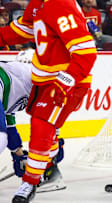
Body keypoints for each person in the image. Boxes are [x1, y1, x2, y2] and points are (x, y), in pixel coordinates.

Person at [0, 0, 97, 202]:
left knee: (41, 124)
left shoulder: (61, 3)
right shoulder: (37, 3)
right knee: (44, 124)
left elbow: (86, 52)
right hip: (43, 80)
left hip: (66, 81)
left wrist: (66, 81)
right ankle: (50, 170)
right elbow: (21, 31)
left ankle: (30, 182)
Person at [0, 49, 66, 193]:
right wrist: (18, 153)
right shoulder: (18, 83)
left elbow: (9, 122)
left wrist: (19, 154)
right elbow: (8, 121)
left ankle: (49, 171)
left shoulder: (24, 81)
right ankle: (49, 168)